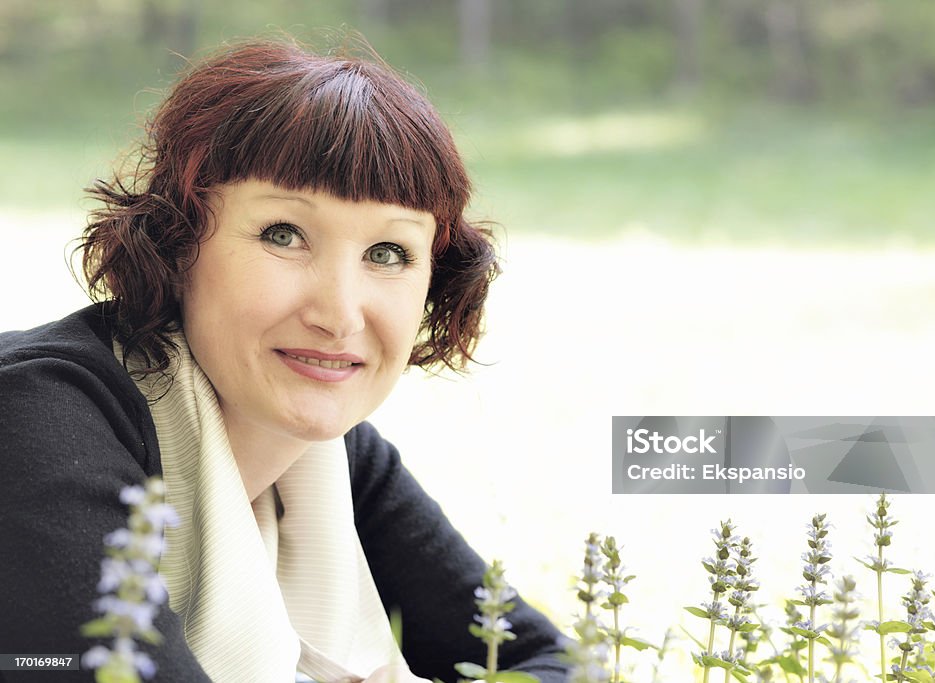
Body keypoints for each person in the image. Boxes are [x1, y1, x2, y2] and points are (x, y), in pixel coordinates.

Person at [0, 38, 570, 683]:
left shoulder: (337, 460)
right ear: (174, 243)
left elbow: (547, 663)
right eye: (284, 234)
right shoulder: (34, 416)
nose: (340, 313)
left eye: (388, 253)